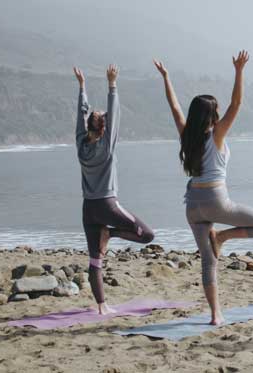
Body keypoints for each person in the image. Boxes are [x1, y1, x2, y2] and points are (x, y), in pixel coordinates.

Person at [153, 51, 253, 326]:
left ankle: (215, 315)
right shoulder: (217, 134)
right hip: (216, 201)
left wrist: (166, 77)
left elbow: (174, 107)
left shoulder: (187, 136)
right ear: (213, 114)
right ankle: (222, 236)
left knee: (208, 262)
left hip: (192, 206)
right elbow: (237, 103)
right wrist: (239, 70)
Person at [73, 65, 155, 315]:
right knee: (147, 235)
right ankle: (112, 234)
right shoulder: (107, 146)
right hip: (107, 205)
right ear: (104, 130)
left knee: (95, 260)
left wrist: (82, 88)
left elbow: (81, 115)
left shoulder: (80, 143)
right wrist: (112, 85)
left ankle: (102, 306)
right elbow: (115, 114)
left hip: (89, 209)